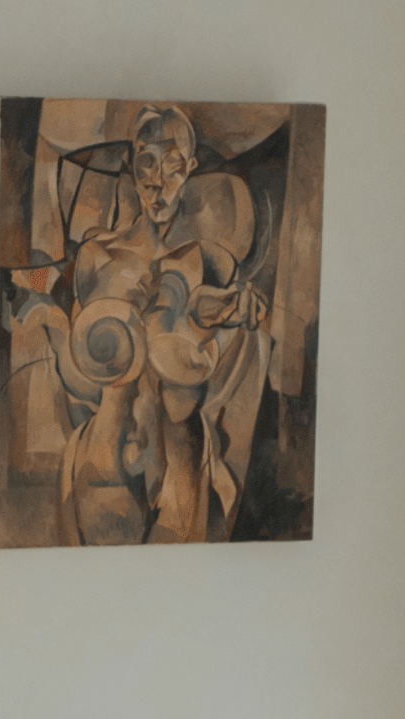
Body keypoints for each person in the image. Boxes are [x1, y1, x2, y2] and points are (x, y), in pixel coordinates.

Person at [58, 104, 271, 545]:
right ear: (130, 167)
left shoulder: (205, 259)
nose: (158, 185)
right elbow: (79, 368)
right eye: (147, 166)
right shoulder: (97, 255)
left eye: (174, 169)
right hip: (108, 449)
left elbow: (207, 310)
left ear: (190, 169)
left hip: (177, 451)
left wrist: (233, 310)